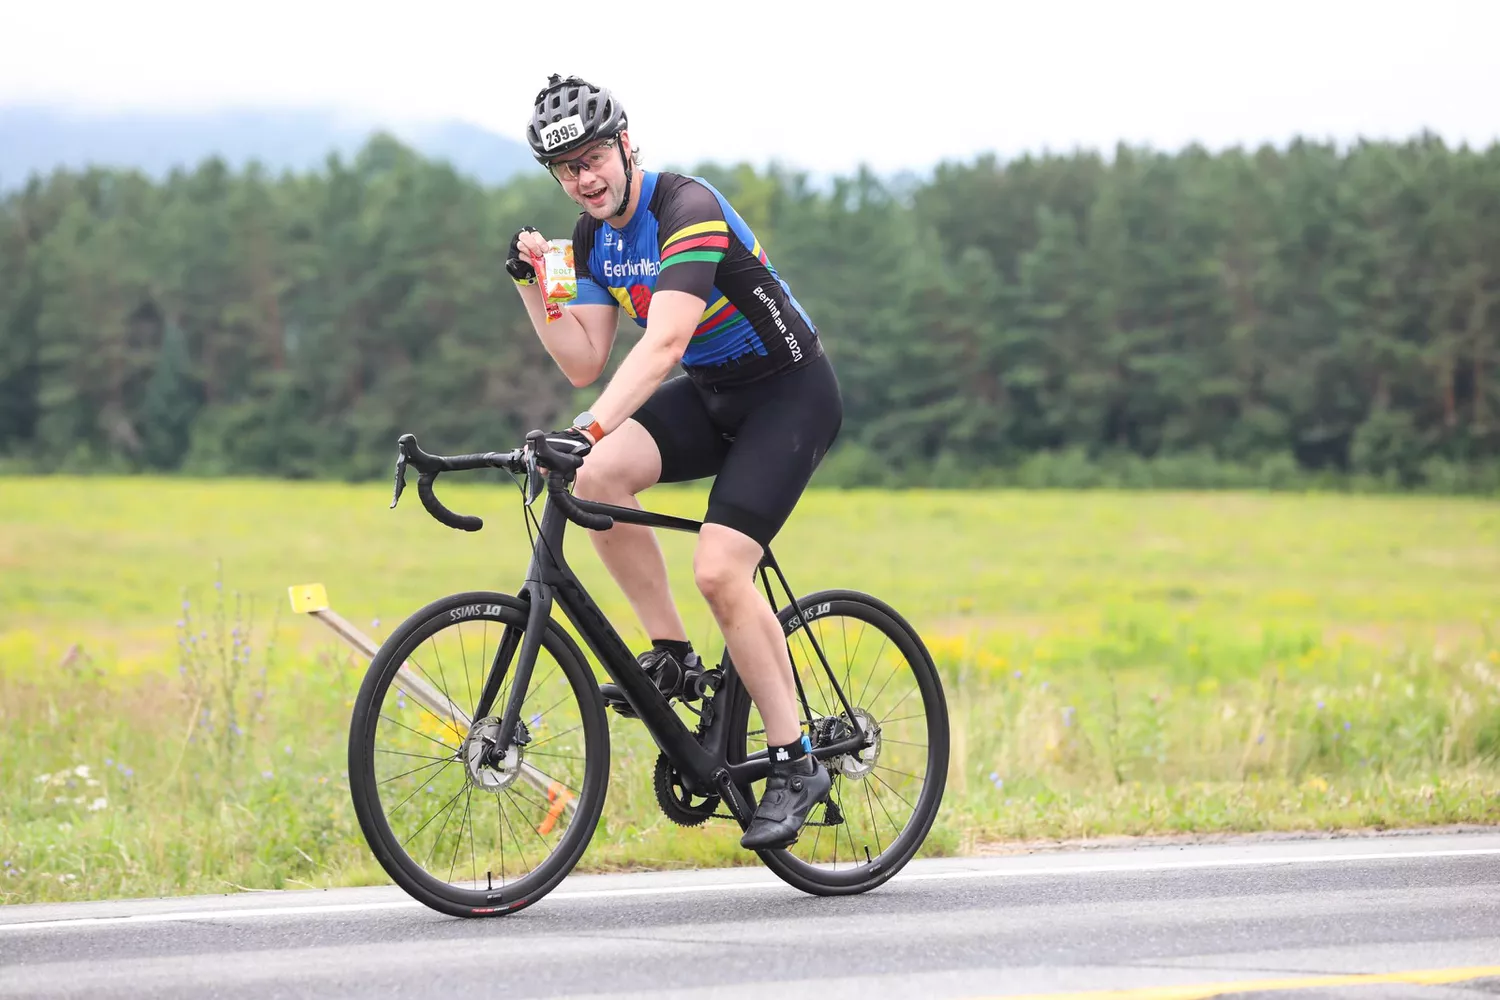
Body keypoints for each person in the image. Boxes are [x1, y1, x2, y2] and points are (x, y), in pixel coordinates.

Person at [505, 74, 843, 851]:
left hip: (790, 396)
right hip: (718, 393)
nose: (584, 179)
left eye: (594, 158)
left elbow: (661, 345)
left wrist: (586, 428)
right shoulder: (590, 240)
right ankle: (674, 657)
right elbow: (584, 359)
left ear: (626, 145)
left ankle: (795, 761)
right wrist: (534, 289)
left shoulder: (687, 209)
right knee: (593, 478)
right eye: (567, 170)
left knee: (722, 570)